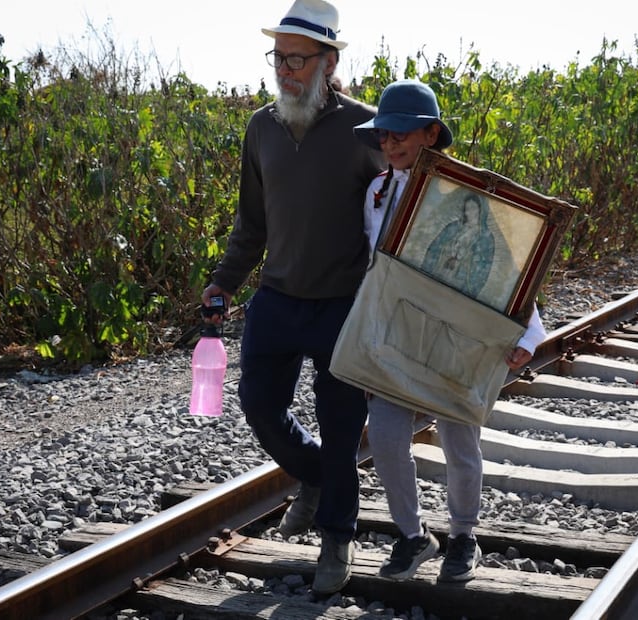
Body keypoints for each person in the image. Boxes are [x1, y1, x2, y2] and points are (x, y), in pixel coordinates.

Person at [200, 0, 383, 595]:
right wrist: (224, 281)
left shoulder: (367, 131)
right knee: (258, 407)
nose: (285, 70)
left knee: (340, 423)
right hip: (276, 299)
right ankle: (314, 477)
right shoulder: (261, 128)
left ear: (329, 62)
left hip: (341, 304)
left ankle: (337, 540)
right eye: (278, 58)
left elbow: (403, 212)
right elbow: (251, 222)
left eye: (298, 60)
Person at [353, 79, 547, 583]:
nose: (390, 145)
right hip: (399, 330)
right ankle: (414, 536)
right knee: (389, 435)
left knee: (460, 439)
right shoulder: (376, 192)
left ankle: (464, 535)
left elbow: (506, 269)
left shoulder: (470, 191)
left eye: (400, 135)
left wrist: (527, 336)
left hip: (459, 335)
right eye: (383, 137)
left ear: (430, 133)